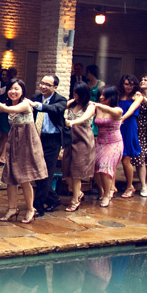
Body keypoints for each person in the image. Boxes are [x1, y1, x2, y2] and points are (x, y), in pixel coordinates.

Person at [0, 79, 47, 224]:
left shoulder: (25, 104)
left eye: (16, 89)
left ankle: (31, 209)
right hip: (14, 142)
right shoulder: (11, 104)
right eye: (11, 89)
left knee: (24, 177)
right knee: (10, 176)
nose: (13, 91)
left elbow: (8, 110)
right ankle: (12, 208)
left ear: (23, 90)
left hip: (27, 143)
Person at [29, 75, 71, 217]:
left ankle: (38, 207)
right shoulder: (36, 97)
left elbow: (54, 109)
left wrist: (38, 106)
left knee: (46, 174)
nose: (43, 86)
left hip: (52, 141)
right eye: (42, 83)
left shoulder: (61, 100)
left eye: (47, 84)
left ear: (55, 87)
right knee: (36, 173)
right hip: (37, 138)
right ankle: (53, 199)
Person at [62, 82, 97, 211]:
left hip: (83, 140)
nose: (75, 95)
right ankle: (79, 193)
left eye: (77, 93)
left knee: (77, 172)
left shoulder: (90, 106)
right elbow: (61, 108)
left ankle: (75, 200)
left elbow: (83, 118)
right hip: (70, 140)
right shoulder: (72, 104)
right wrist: (70, 100)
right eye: (74, 93)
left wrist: (72, 122)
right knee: (66, 171)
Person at [92, 85, 125, 207]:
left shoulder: (117, 110)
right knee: (95, 168)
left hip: (114, 143)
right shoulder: (97, 108)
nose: (101, 97)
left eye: (104, 96)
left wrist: (98, 105)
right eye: (100, 95)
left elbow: (114, 112)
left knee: (105, 166)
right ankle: (102, 191)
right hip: (100, 142)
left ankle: (107, 195)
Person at [116, 74, 144, 198]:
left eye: (131, 84)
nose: (129, 87)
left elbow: (132, 109)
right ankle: (112, 187)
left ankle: (129, 186)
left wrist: (122, 118)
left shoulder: (137, 96)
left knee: (126, 159)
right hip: (117, 126)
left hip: (129, 126)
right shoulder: (117, 96)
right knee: (115, 157)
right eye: (126, 84)